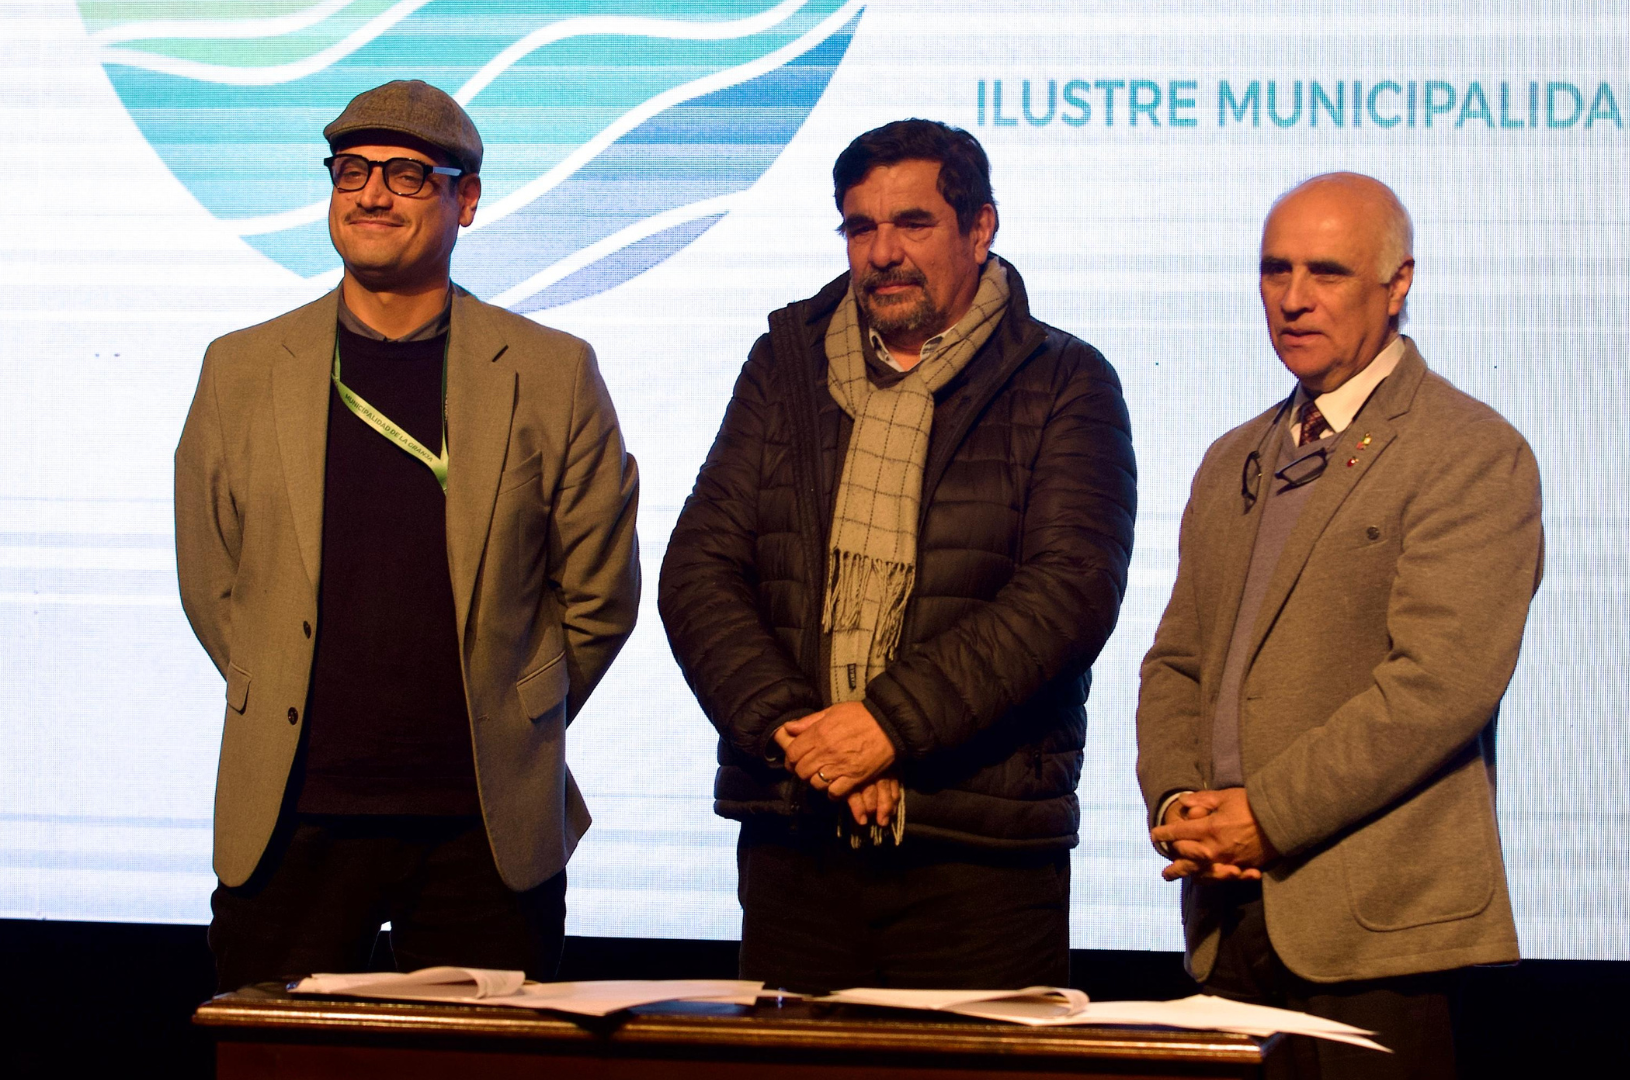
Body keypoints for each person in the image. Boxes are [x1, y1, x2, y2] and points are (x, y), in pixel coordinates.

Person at [175, 80, 639, 990]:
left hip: (483, 829)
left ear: (467, 200)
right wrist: (278, 680)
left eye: (407, 175)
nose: (372, 195)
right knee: (274, 1058)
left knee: (481, 1061)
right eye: (351, 171)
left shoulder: (552, 372)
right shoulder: (240, 368)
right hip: (293, 818)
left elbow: (599, 595)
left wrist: (513, 711)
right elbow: (213, 581)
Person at [659, 119, 1136, 990]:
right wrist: (802, 736)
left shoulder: (1064, 379)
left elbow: (1069, 595)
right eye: (860, 227)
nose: (882, 253)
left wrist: (886, 726)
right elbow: (698, 572)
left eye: (913, 223)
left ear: (980, 229)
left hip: (978, 852)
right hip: (797, 834)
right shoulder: (784, 364)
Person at [1135, 172, 1543, 1078]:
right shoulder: (1233, 457)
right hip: (1227, 913)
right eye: (1274, 270)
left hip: (1376, 932)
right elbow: (1177, 663)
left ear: (1398, 286)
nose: (1293, 298)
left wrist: (1266, 816)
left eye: (1326, 272)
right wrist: (1178, 806)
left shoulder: (1470, 451)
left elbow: (1440, 687)